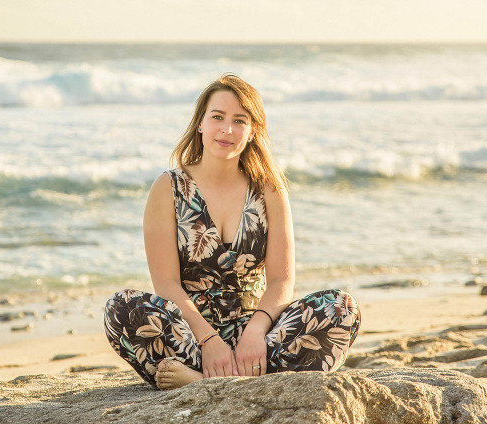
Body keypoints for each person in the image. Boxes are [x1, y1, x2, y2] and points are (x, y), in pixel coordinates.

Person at [103, 74, 361, 390]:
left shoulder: (269, 189)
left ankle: (202, 383)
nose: (227, 130)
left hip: (261, 338)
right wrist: (209, 340)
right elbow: (166, 283)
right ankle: (240, 380)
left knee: (342, 307)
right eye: (217, 117)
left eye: (239, 121)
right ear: (200, 124)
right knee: (121, 308)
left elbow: (282, 280)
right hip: (192, 338)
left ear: (252, 132)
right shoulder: (169, 188)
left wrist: (255, 333)